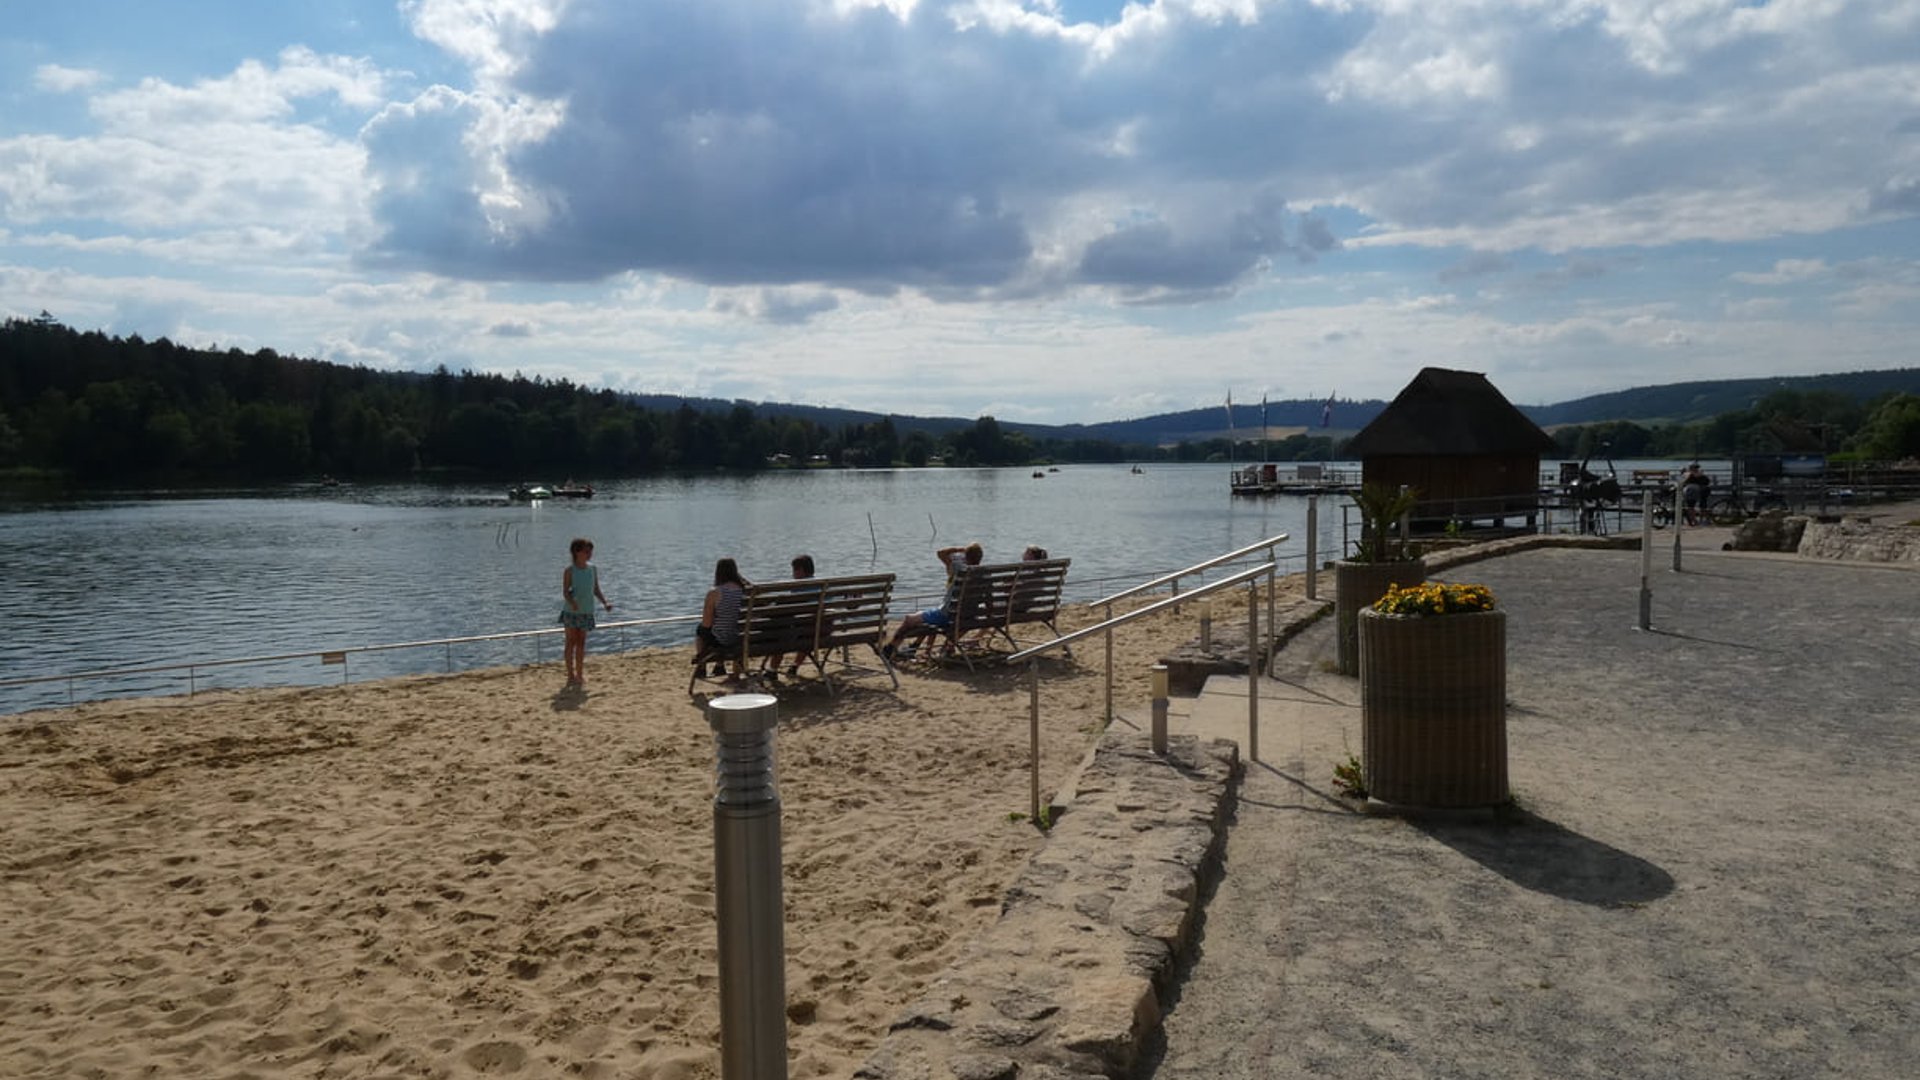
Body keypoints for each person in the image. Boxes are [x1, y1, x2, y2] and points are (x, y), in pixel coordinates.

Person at [882, 542, 983, 659]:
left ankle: (890, 649)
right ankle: (916, 647)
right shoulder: (985, 574)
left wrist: (959, 549)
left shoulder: (959, 569)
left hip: (948, 615)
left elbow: (941, 553)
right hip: (969, 615)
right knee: (930, 616)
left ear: (966, 556)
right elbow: (988, 600)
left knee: (909, 619)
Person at [558, 538, 612, 687]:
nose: (589, 554)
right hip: (571, 611)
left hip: (586, 611)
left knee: (581, 643)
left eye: (590, 551)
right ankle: (570, 675)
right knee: (570, 642)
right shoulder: (569, 571)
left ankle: (579, 675)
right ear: (577, 552)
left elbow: (595, 588)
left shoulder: (592, 569)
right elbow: (565, 591)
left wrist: (605, 602)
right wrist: (572, 602)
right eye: (586, 551)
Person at [693, 557, 750, 680]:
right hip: (743, 638)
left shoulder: (715, 593)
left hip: (723, 640)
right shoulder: (746, 591)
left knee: (700, 630)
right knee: (725, 628)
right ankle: (720, 665)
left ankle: (702, 666)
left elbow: (706, 624)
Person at [765, 554, 816, 682]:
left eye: (794, 570)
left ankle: (772, 670)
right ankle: (794, 666)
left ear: (800, 571)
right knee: (808, 629)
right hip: (823, 631)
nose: (793, 574)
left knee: (782, 629)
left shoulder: (798, 588)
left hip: (805, 632)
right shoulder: (825, 585)